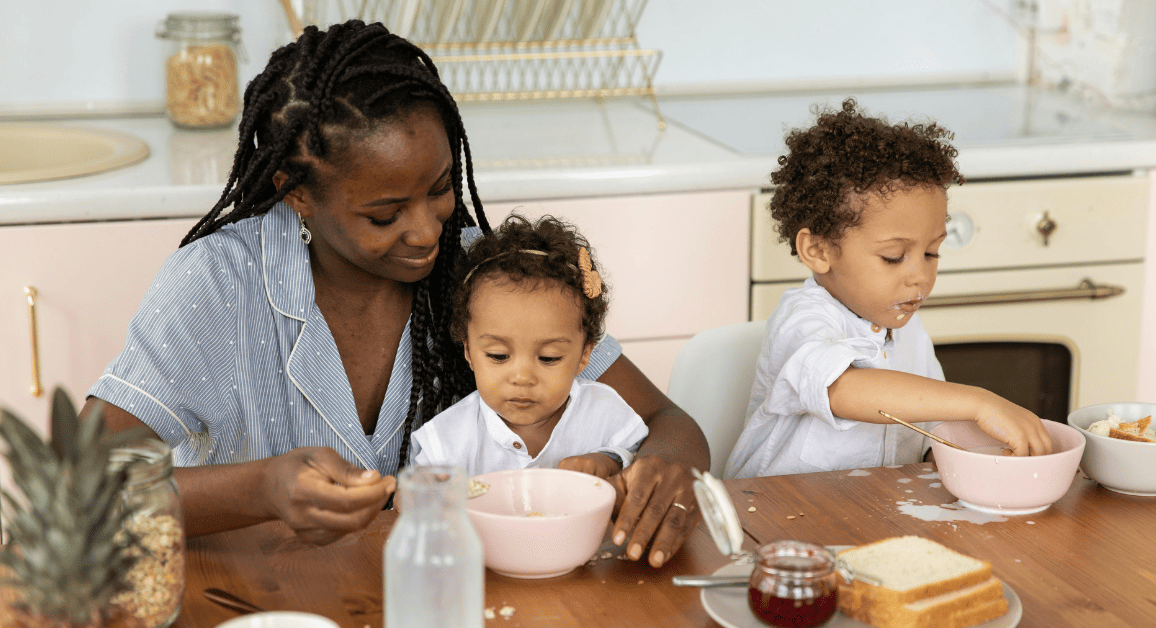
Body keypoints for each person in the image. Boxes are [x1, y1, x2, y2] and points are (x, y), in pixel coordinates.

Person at [82, 20, 707, 567]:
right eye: (384, 214)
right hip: (255, 593)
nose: (428, 229)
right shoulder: (219, 284)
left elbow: (669, 424)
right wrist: (260, 490)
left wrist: (665, 470)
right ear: (295, 190)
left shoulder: (483, 271)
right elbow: (79, 486)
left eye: (440, 188)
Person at [724, 99, 1053, 479]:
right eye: (895, 257)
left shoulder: (908, 328)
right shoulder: (804, 319)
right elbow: (842, 389)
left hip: (875, 509)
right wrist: (980, 402)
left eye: (931, 253)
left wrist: (959, 462)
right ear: (817, 250)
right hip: (771, 514)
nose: (920, 277)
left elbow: (930, 425)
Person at [412, 215, 648, 478]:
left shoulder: (604, 412)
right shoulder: (447, 439)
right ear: (468, 351)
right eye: (498, 355)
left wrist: (610, 461)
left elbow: (645, 462)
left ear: (584, 355)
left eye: (548, 358)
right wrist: (419, 495)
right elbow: (418, 500)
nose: (522, 377)